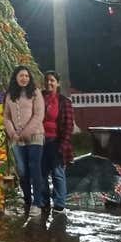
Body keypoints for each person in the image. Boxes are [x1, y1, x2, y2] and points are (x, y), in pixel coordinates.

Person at [3, 65, 45, 216]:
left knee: (34, 168)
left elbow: (39, 115)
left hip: (35, 136)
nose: (24, 78)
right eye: (21, 76)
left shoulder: (35, 93)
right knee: (22, 170)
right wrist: (13, 133)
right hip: (16, 139)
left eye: (27, 76)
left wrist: (26, 132)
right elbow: (6, 116)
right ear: (15, 77)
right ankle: (27, 199)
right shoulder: (10, 95)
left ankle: (37, 203)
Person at [41, 71, 74, 214]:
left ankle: (60, 203)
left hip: (56, 141)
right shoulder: (39, 98)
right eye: (47, 80)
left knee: (57, 173)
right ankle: (43, 202)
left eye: (52, 80)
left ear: (57, 83)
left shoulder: (64, 102)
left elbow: (68, 126)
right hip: (40, 141)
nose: (49, 83)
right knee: (41, 173)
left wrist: (63, 145)